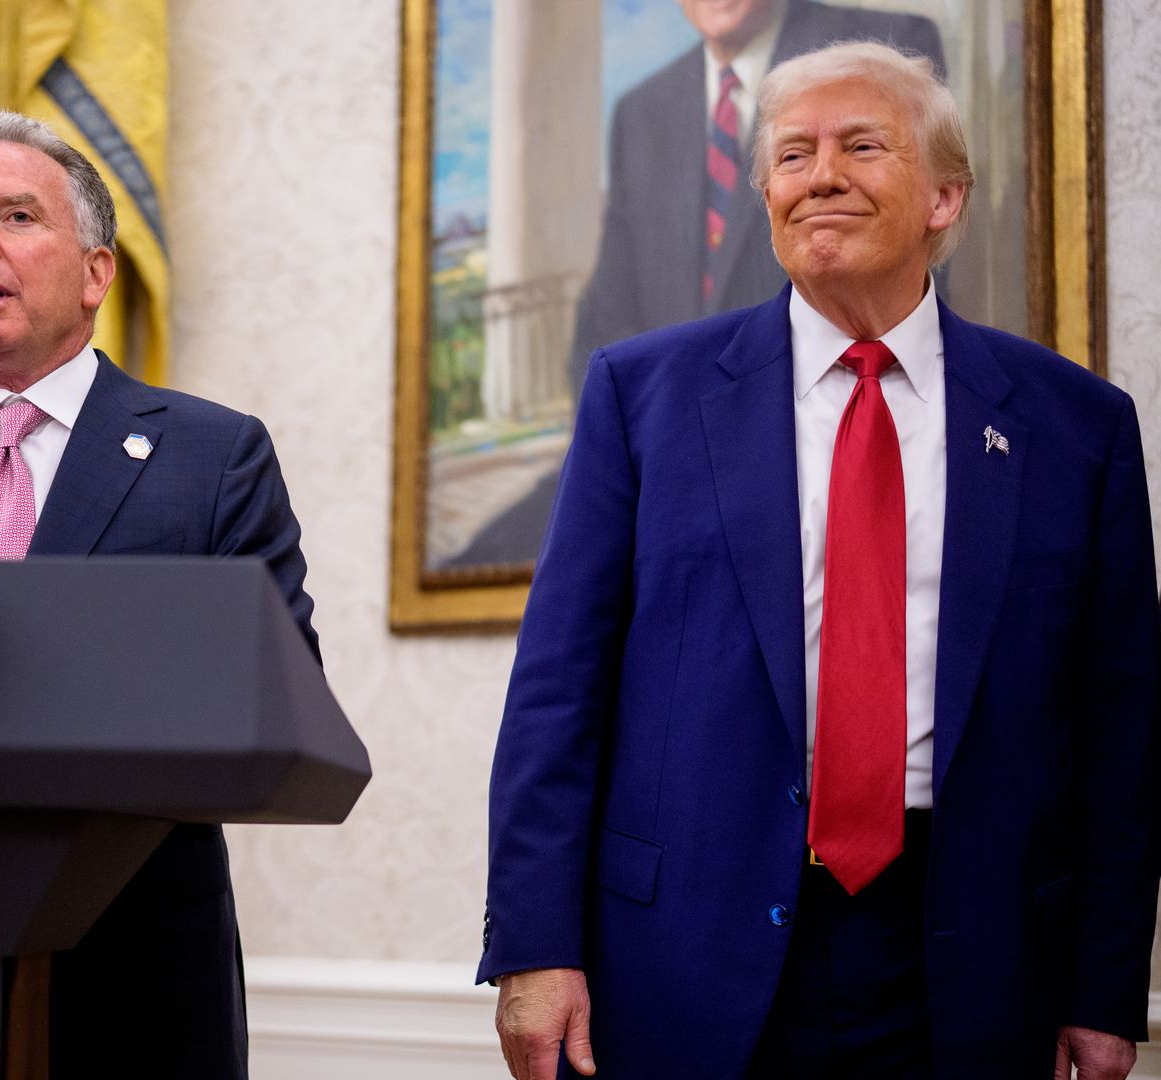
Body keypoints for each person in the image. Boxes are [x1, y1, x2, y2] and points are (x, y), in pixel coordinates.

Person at [482, 42, 1159, 1079]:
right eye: (792, 155)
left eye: (861, 145)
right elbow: (556, 695)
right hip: (687, 950)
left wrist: (1106, 988)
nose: (821, 174)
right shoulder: (644, 398)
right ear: (765, 199)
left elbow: (1123, 730)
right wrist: (533, 945)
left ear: (944, 198)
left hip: (972, 961)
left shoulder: (1078, 428)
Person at [0, 111, 316, 1079]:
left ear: (95, 272)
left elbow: (282, 693)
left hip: (136, 968)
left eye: (15, 216)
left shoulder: (211, 458)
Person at [569, 0, 944, 384]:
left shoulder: (890, 47)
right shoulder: (641, 112)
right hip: (679, 422)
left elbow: (921, 267)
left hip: (847, 404)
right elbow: (613, 308)